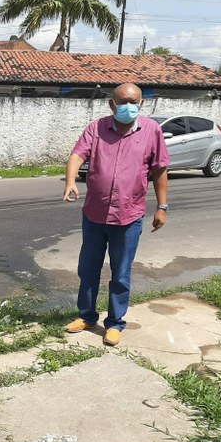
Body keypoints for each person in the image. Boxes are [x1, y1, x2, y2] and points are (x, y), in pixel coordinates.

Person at [62, 82, 169, 347]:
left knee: (121, 273)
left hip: (128, 216)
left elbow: (159, 170)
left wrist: (162, 207)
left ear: (141, 103)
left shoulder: (152, 131)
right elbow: (77, 156)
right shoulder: (96, 128)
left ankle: (114, 323)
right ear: (112, 104)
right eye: (123, 102)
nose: (129, 107)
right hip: (95, 214)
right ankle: (86, 316)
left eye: (134, 102)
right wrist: (70, 181)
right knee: (88, 269)